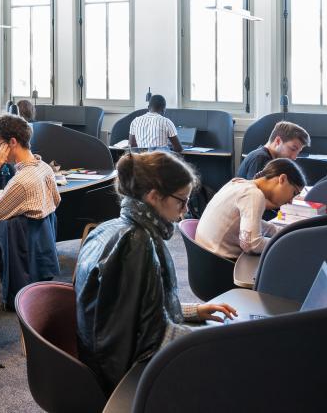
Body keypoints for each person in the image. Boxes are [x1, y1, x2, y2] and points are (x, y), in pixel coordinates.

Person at [74, 151, 236, 392]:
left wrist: (193, 311)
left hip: (103, 361)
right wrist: (215, 344)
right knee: (233, 367)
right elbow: (152, 338)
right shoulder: (136, 242)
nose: (185, 210)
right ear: (154, 197)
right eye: (182, 200)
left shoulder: (109, 228)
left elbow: (130, 311)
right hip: (127, 377)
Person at [196, 158, 307, 259]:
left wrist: (285, 232)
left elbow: (254, 223)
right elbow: (252, 244)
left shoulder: (237, 183)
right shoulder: (253, 195)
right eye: (294, 193)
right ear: (282, 179)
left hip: (205, 258)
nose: (291, 201)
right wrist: (286, 243)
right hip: (220, 264)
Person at [0, 114, 60, 226]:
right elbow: (56, 201)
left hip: (23, 243)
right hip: (43, 241)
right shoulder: (45, 168)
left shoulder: (21, 183)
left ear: (12, 142)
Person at [237, 121, 311, 179]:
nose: (294, 157)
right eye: (293, 149)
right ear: (278, 141)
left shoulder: (263, 155)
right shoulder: (260, 159)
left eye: (298, 152)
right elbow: (257, 193)